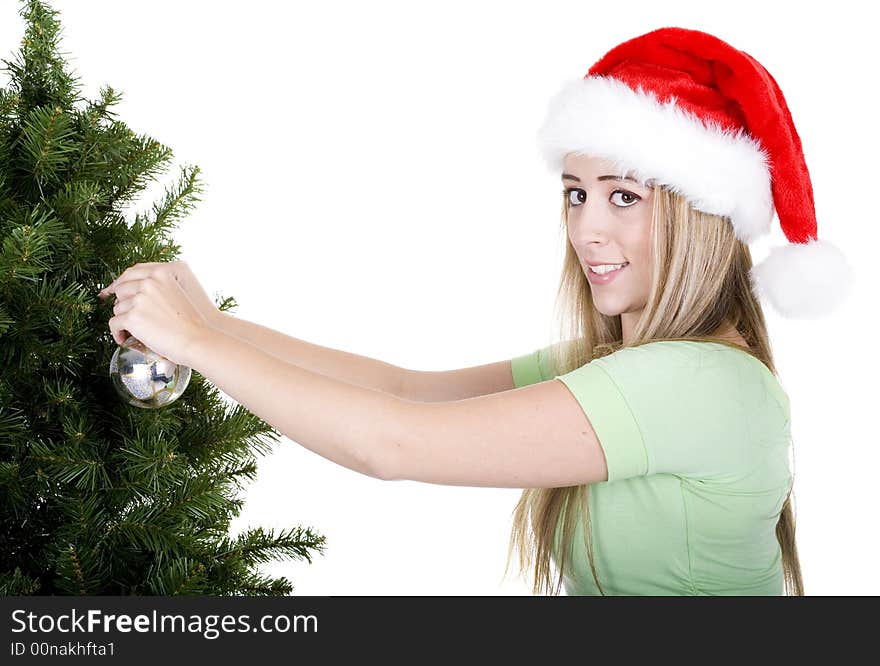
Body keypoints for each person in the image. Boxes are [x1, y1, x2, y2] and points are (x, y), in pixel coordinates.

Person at [99, 27, 853, 596]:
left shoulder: (690, 384)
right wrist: (215, 324)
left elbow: (392, 444)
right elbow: (403, 391)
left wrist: (198, 343)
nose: (588, 226)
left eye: (626, 196)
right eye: (575, 192)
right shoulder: (629, 371)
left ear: (700, 216)